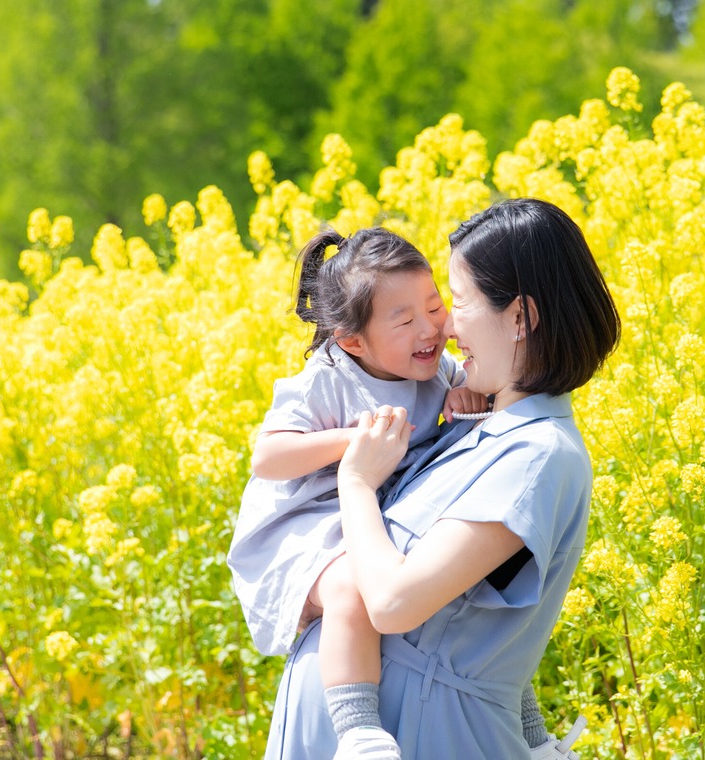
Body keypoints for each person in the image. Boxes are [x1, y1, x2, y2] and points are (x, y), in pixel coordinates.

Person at [262, 197, 621, 759]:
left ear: (520, 317)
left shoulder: (537, 456)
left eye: (455, 302)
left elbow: (393, 603)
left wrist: (356, 483)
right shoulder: (476, 426)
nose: (445, 327)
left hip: (425, 737)